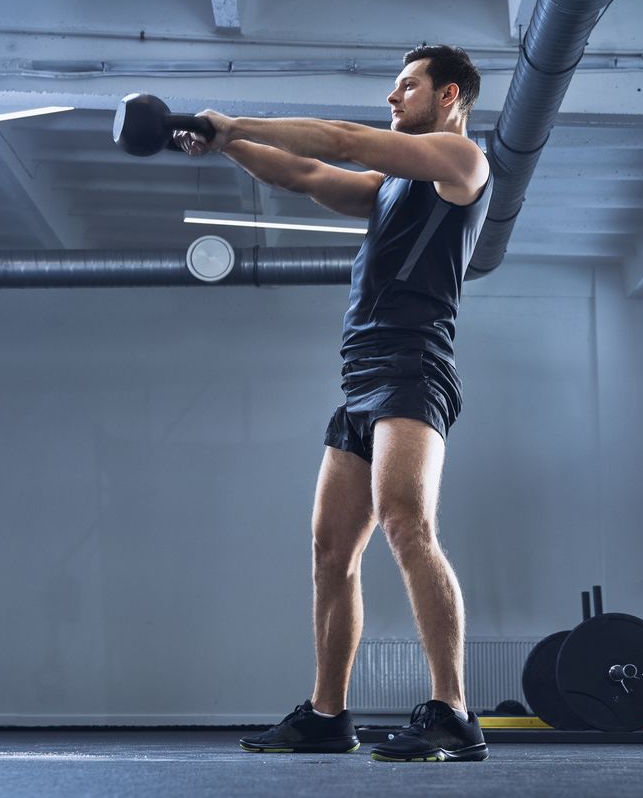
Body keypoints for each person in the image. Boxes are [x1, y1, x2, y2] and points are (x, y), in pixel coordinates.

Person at [174, 44, 492, 763]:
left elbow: (340, 139)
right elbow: (308, 172)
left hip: (414, 366)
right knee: (328, 552)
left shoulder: (462, 164)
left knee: (407, 525)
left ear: (448, 97)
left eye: (405, 86)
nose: (392, 97)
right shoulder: (389, 185)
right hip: (360, 377)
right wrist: (231, 146)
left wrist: (233, 121)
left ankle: (453, 713)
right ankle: (327, 715)